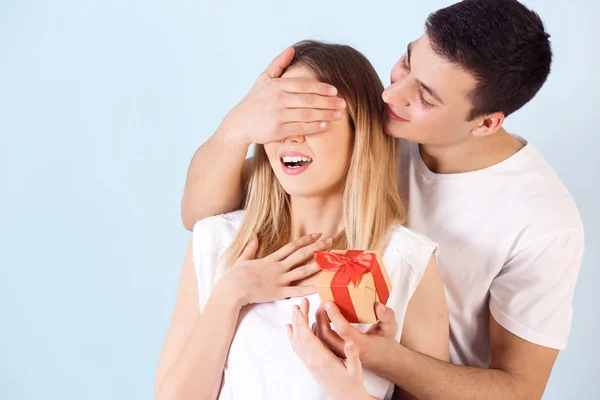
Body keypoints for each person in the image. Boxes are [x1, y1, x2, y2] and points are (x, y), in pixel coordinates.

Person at [179, 0, 585, 399]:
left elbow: (519, 390)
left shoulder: (544, 223)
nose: (391, 95)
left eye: (425, 97)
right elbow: (204, 217)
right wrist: (237, 127)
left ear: (487, 123)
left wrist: (381, 357)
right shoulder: (375, 130)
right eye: (407, 61)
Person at [155, 41, 449, 400]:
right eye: (280, 118)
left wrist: (347, 391)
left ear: (360, 133)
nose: (291, 135)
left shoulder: (406, 262)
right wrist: (233, 293)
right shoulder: (217, 242)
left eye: (310, 118)